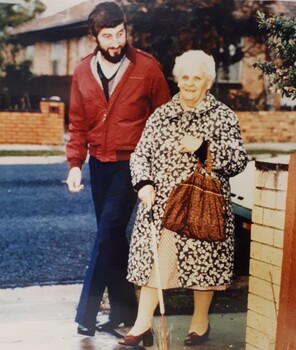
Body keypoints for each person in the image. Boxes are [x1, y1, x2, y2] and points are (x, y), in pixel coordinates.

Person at [118, 50, 249, 347]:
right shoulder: (162, 115)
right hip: (163, 204)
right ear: (178, 80)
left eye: (197, 78)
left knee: (204, 268)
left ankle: (200, 325)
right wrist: (144, 183)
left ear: (208, 82)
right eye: (185, 77)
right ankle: (141, 326)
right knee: (156, 264)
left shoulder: (223, 116)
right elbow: (140, 154)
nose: (190, 83)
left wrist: (204, 148)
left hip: (204, 206)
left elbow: (238, 160)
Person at [66, 1, 170, 337]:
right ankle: (124, 313)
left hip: (132, 164)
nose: (116, 42)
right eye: (108, 36)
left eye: (120, 33)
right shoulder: (82, 71)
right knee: (111, 240)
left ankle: (86, 312)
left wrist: (155, 167)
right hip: (99, 163)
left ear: (127, 30)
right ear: (94, 36)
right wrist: (74, 164)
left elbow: (163, 119)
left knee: (107, 232)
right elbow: (78, 122)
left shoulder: (148, 68)